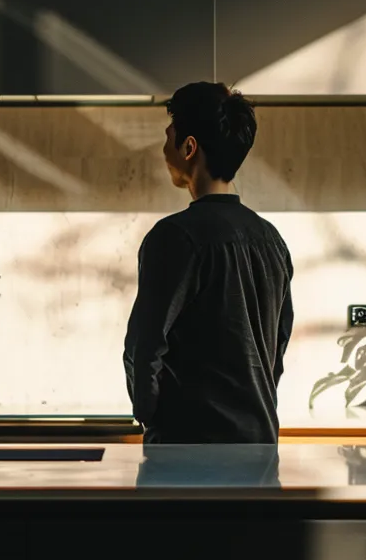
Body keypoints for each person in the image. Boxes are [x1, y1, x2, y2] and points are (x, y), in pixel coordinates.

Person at [122, 81, 293, 444]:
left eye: (168, 137)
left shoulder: (174, 238)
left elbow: (144, 344)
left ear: (189, 147)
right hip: (259, 447)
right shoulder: (271, 240)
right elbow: (277, 346)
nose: (163, 149)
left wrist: (151, 418)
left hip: (187, 455)